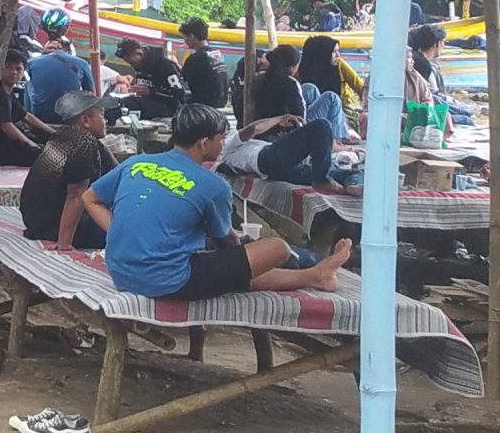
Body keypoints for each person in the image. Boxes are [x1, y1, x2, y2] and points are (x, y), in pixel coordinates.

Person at [82, 104, 350, 300]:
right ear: (203, 143)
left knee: (221, 260)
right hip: (168, 282)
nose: (223, 144)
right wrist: (240, 241)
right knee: (276, 249)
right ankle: (314, 274)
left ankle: (317, 272)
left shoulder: (137, 163)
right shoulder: (213, 185)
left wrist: (120, 231)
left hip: (121, 271)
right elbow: (228, 243)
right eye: (221, 138)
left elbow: (89, 198)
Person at [21, 92, 113, 249]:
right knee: (125, 230)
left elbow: (117, 170)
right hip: (51, 226)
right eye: (102, 115)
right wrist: (64, 243)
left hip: (35, 221)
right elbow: (75, 195)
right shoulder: (83, 143)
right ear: (85, 120)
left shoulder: (64, 135)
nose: (106, 121)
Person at [218, 110, 352, 192]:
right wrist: (279, 119)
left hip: (277, 171)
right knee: (322, 125)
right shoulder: (226, 144)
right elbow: (253, 129)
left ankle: (354, 184)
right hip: (267, 159)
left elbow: (254, 129)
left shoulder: (230, 152)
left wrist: (281, 122)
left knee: (338, 172)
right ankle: (322, 180)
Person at [24, 11, 94, 119]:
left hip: (40, 117)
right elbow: (91, 94)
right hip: (70, 117)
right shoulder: (81, 63)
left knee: (28, 84)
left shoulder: (32, 62)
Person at [0, 50, 49, 166]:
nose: (14, 72)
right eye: (8, 68)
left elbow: (26, 115)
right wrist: (31, 145)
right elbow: (6, 126)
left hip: (7, 143)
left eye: (18, 69)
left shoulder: (9, 92)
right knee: (47, 158)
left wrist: (50, 130)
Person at [296, 34, 360, 140]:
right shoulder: (301, 71)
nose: (338, 55)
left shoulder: (339, 66)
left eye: (338, 51)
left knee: (331, 97)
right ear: (323, 54)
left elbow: (360, 86)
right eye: (334, 52)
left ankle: (337, 138)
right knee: (311, 89)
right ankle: (334, 140)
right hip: (313, 118)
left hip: (340, 114)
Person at [113, 38, 185, 121]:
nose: (132, 66)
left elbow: (180, 95)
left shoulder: (165, 66)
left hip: (167, 108)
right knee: (119, 102)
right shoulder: (140, 66)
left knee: (129, 105)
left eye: (132, 62)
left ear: (139, 53)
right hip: (146, 104)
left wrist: (151, 91)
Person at [245, 42, 305, 124]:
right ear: (291, 67)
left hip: (261, 125)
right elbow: (300, 116)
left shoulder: (259, 79)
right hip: (284, 128)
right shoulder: (291, 83)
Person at [177, 17, 227, 109]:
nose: (184, 40)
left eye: (184, 36)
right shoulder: (217, 54)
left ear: (192, 36)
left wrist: (174, 64)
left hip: (204, 105)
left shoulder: (195, 58)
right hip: (221, 102)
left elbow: (180, 77)